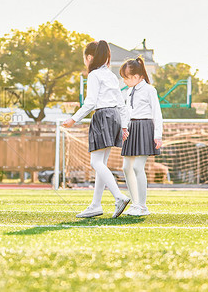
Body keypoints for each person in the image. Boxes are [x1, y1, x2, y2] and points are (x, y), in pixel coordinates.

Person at [62, 41, 131, 218]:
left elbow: (91, 102)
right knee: (101, 163)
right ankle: (95, 205)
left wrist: (73, 119)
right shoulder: (110, 75)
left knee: (95, 162)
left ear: (89, 57)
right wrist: (123, 125)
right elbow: (121, 102)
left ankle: (119, 197)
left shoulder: (94, 75)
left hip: (102, 116)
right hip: (114, 116)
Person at [119, 57, 163, 216]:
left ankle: (142, 206)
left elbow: (157, 113)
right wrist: (124, 128)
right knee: (126, 167)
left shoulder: (150, 90)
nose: (124, 81)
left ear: (137, 77)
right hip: (131, 129)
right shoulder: (129, 91)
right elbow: (126, 111)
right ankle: (135, 203)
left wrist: (158, 135)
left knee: (138, 167)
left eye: (126, 77)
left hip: (145, 128)